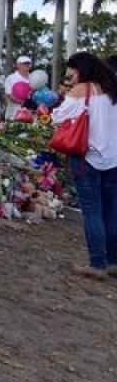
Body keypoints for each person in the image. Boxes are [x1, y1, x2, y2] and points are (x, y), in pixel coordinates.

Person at [51, 52, 117, 278]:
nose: (72, 75)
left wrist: (65, 97)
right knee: (111, 210)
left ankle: (97, 264)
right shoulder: (112, 89)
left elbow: (57, 117)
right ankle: (112, 261)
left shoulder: (83, 90)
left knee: (92, 212)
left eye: (73, 71)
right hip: (113, 159)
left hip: (88, 158)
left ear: (82, 70)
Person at [4, 55, 32, 120]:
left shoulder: (33, 78)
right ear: (18, 65)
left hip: (30, 111)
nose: (27, 65)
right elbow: (8, 95)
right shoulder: (11, 78)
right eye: (24, 63)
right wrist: (22, 102)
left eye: (28, 63)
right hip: (14, 111)